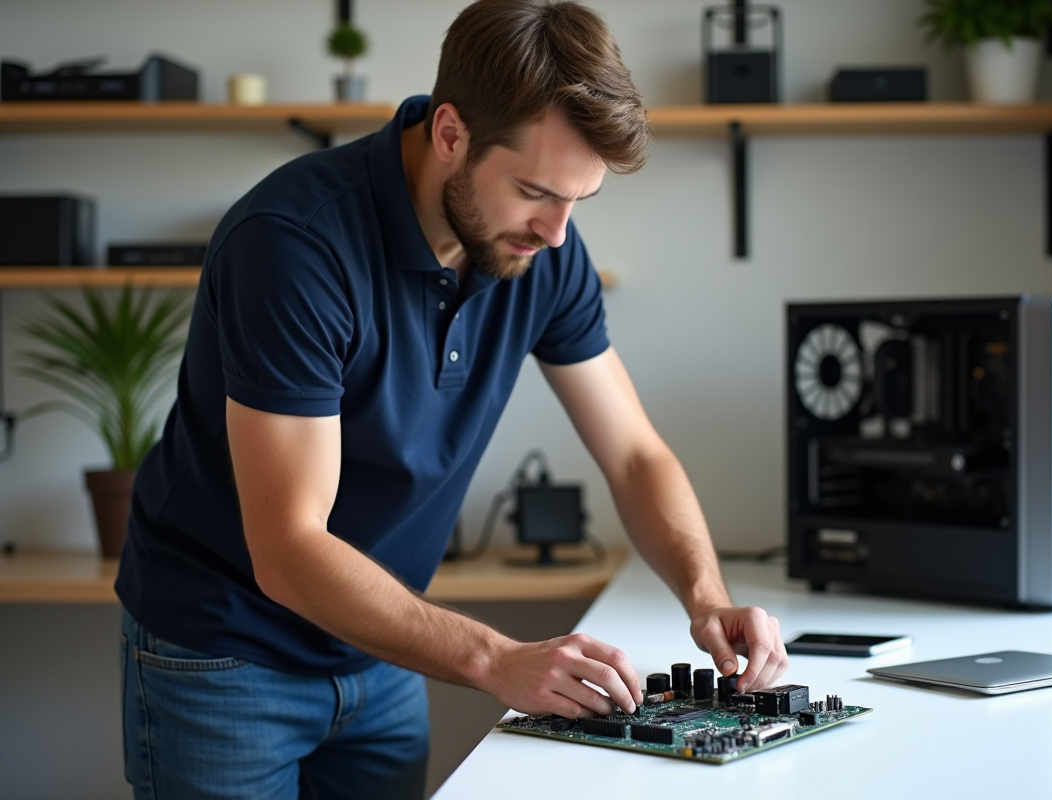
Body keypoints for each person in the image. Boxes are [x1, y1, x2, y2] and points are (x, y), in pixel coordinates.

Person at [115, 1, 788, 797]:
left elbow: (635, 454)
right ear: (449, 134)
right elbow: (289, 549)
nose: (558, 234)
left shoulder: (541, 251)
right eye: (535, 191)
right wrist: (495, 659)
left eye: (579, 201)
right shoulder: (293, 245)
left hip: (383, 647)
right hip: (225, 655)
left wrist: (706, 598)